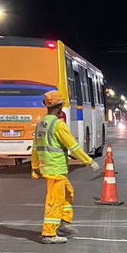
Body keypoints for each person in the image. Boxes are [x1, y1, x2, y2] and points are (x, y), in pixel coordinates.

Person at [31, 90, 99, 244]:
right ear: (60, 106)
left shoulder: (41, 124)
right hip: (55, 168)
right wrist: (89, 161)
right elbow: (73, 146)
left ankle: (62, 222)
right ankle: (48, 233)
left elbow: (35, 148)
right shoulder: (58, 125)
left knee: (68, 192)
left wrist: (35, 167)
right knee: (55, 200)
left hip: (49, 168)